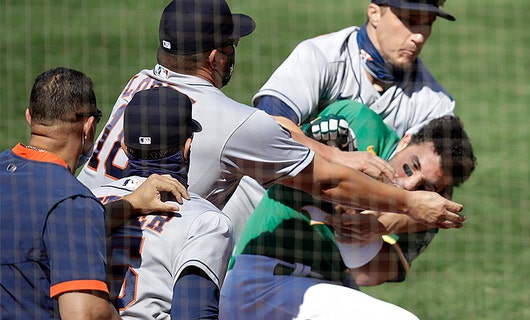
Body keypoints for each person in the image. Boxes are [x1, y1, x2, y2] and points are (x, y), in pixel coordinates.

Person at [77, 0, 467, 234]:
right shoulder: (237, 123)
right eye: (232, 45)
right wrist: (408, 203)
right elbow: (327, 183)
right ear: (216, 58)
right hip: (150, 255)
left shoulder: (137, 86)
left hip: (88, 227)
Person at [219, 100, 476, 319]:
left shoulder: (427, 210)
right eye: (411, 166)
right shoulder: (359, 125)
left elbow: (366, 275)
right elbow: (273, 135)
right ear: (405, 141)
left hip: (316, 291)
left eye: (426, 186)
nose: (410, 183)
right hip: (262, 279)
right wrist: (339, 159)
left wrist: (372, 232)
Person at [225, 0, 459, 235]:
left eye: (428, 24)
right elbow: (266, 129)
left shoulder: (434, 103)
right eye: (410, 21)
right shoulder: (322, 57)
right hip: (256, 203)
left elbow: (440, 201)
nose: (419, 37)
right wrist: (338, 157)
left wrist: (384, 223)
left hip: (333, 234)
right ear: (375, 14)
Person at [0, 67, 189, 319]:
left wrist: (131, 204)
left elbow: (46, 228)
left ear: (29, 117)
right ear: (88, 128)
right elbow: (85, 314)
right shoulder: (71, 202)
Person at [91, 87, 232, 319]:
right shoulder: (206, 222)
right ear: (187, 147)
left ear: (125, 148)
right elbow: (193, 314)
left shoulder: (88, 203)